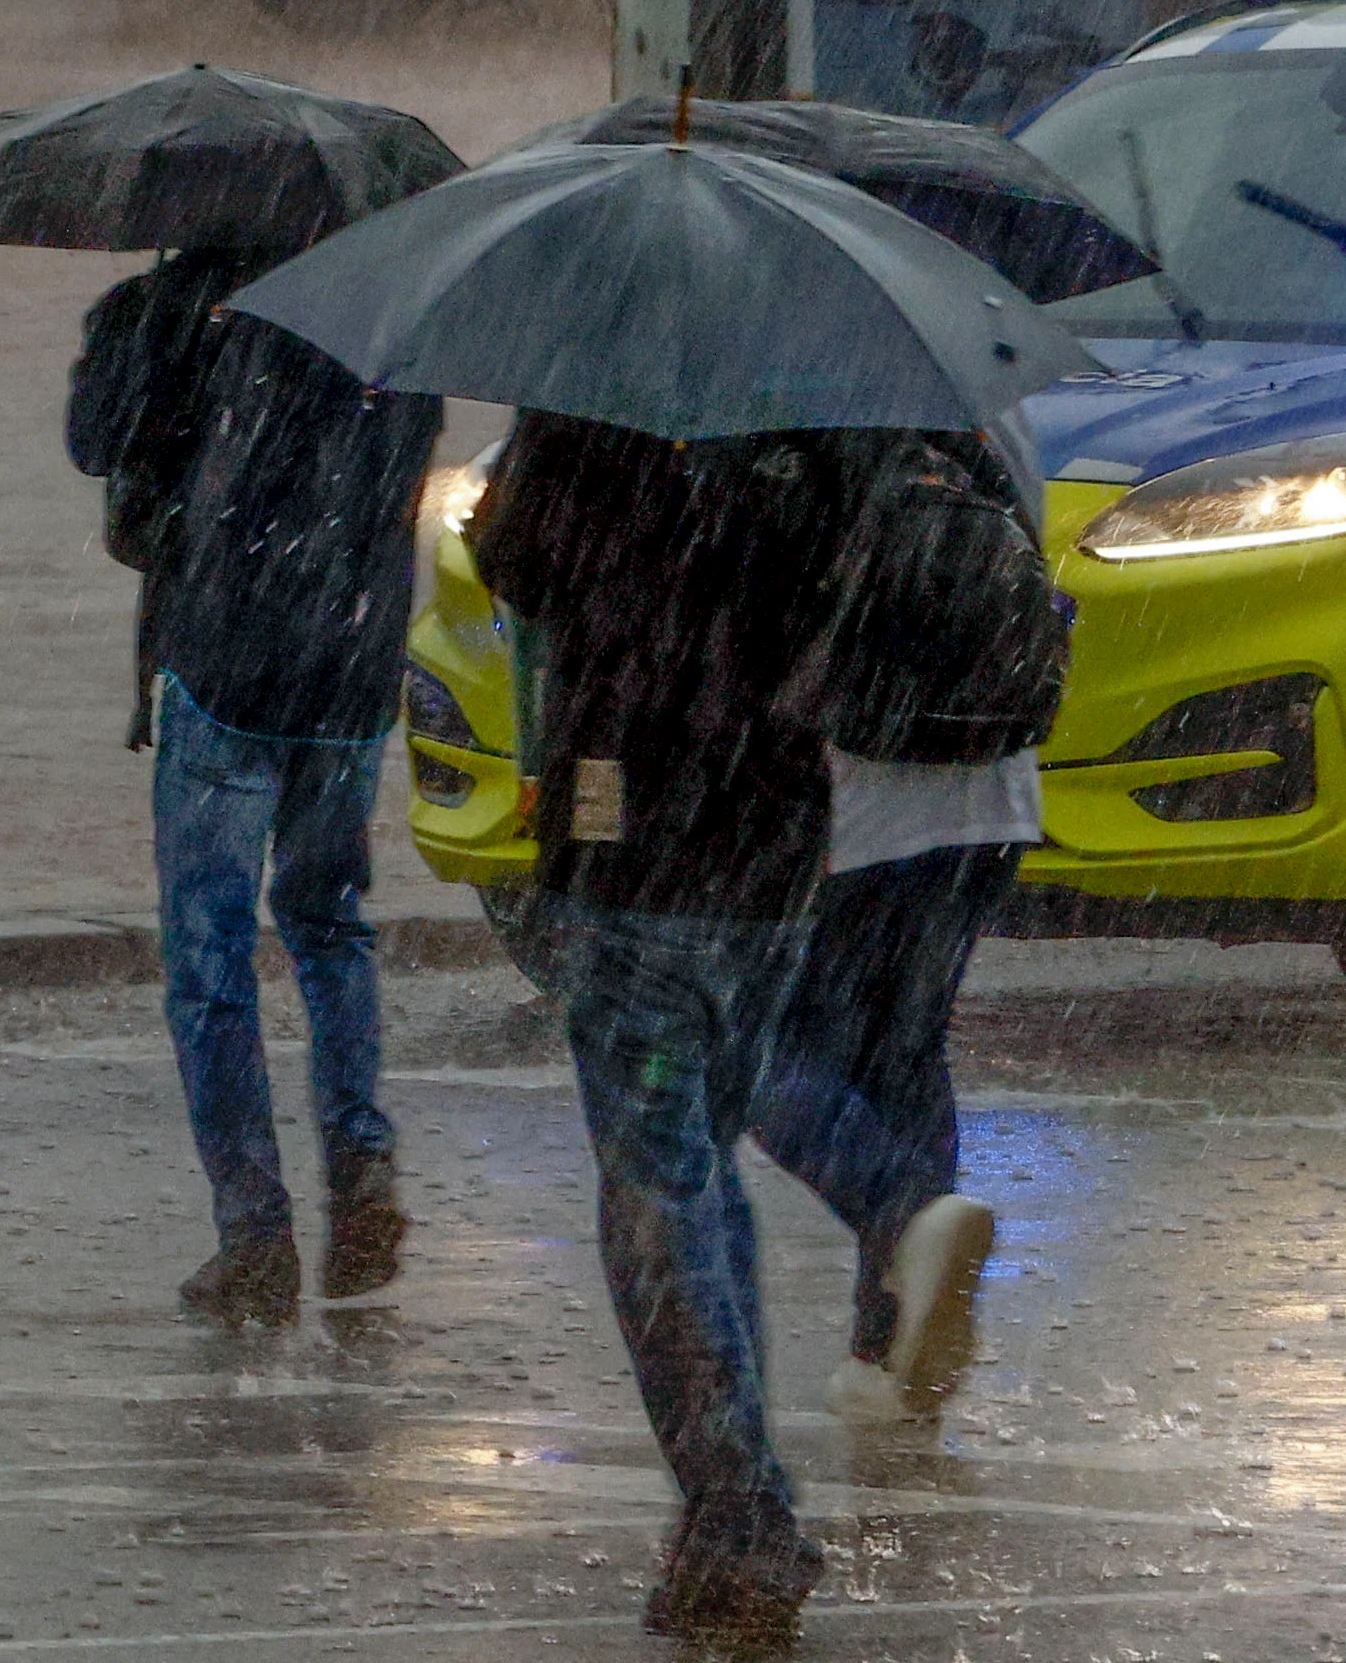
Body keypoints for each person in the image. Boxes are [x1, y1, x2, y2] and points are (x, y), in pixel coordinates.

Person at [472, 413, 852, 1645]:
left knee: (658, 1202)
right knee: (702, 1179)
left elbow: (522, 566)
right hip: (778, 857)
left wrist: (513, 508)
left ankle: (742, 1517)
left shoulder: (599, 400)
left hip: (639, 849)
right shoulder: (824, 401)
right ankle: (725, 1514)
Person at [68, 261, 441, 1324]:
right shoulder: (391, 309)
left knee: (208, 953)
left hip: (226, 657)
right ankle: (361, 1160)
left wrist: (134, 324)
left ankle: (254, 1228)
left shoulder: (181, 307)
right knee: (329, 923)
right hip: (352, 670)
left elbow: (99, 444)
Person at [749, 425, 1048, 1428]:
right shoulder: (983, 408)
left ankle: (905, 1217)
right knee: (907, 1054)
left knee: (748, 1050)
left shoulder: (795, 427)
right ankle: (887, 1347)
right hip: (992, 791)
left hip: (854, 797)